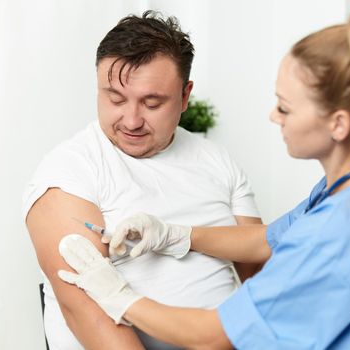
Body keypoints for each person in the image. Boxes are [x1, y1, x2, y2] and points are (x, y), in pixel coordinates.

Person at [56, 11, 350, 349]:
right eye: (116, 99)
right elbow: (265, 239)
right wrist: (175, 235)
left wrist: (121, 297)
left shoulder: (337, 233)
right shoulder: (345, 194)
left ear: (338, 123)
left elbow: (214, 335)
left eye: (285, 106)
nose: (274, 116)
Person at [23, 11, 262, 350]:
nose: (132, 120)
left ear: (184, 96)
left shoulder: (217, 160)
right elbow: (86, 314)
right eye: (115, 99)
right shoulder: (69, 171)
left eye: (152, 103)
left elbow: (262, 279)